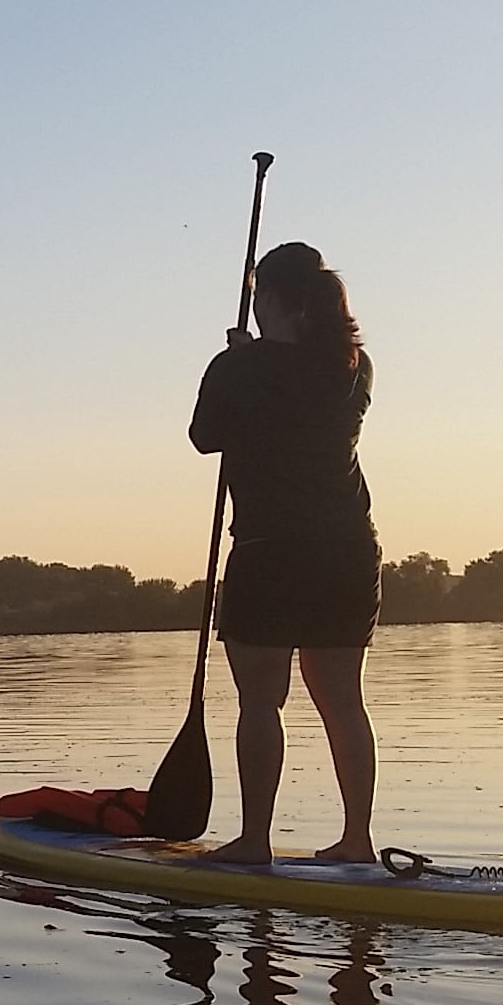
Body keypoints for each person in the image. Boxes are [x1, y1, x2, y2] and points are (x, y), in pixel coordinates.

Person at [188, 241, 380, 863]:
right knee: (342, 699)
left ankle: (254, 841)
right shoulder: (356, 366)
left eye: (256, 295)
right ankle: (356, 840)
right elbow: (298, 391)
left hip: (271, 551)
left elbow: (203, 437)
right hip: (348, 551)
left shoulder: (238, 368)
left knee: (261, 699)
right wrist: (251, 359)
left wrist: (237, 360)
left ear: (274, 298)